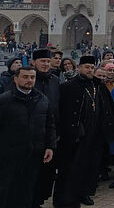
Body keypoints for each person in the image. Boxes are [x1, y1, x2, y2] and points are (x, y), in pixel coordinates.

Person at [54, 56, 114, 207]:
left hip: (95, 134)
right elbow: (62, 112)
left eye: (92, 67)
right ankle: (68, 198)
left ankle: (84, 193)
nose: (89, 70)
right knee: (72, 167)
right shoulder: (68, 87)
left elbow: (109, 108)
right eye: (86, 67)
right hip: (76, 135)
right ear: (79, 68)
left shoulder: (99, 86)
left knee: (91, 167)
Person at [0, 67, 56, 208]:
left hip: (35, 152)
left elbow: (50, 125)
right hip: (10, 154)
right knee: (9, 188)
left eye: (32, 77)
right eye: (25, 77)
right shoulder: (4, 100)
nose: (29, 80)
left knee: (31, 187)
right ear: (16, 79)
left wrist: (50, 146)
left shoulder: (42, 99)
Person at [30, 49, 61, 207]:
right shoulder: (28, 78)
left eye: (48, 62)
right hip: (32, 134)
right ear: (34, 62)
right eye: (43, 61)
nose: (46, 64)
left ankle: (40, 200)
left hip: (51, 132)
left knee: (47, 172)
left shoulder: (55, 80)